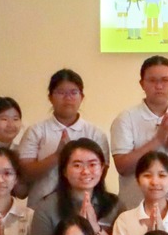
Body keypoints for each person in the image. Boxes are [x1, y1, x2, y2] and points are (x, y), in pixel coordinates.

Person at [14, 69, 112, 204]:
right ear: (50, 97)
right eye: (61, 92)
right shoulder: (36, 131)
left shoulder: (95, 133)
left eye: (74, 92)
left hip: (85, 204)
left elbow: (101, 173)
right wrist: (56, 156)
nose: (68, 98)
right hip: (41, 204)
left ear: (82, 97)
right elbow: (25, 173)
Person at [22, 140, 119, 235]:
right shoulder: (46, 206)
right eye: (77, 165)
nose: (85, 171)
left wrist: (95, 228)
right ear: (64, 171)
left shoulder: (115, 205)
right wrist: (72, 230)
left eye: (92, 164)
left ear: (102, 169)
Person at [109, 56, 168, 207]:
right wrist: (156, 142)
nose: (159, 86)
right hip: (135, 206)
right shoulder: (126, 119)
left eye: (165, 80)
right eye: (152, 80)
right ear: (142, 84)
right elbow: (122, 167)